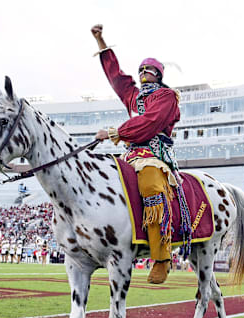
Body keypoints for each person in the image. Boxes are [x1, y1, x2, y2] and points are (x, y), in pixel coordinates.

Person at [92, 24, 181, 284]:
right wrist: (100, 41)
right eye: (140, 69)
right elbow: (117, 78)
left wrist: (113, 132)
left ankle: (162, 257)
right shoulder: (134, 97)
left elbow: (149, 124)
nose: (143, 73)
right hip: (130, 154)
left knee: (151, 186)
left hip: (155, 155)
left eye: (149, 70)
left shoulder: (166, 97)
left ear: (159, 75)